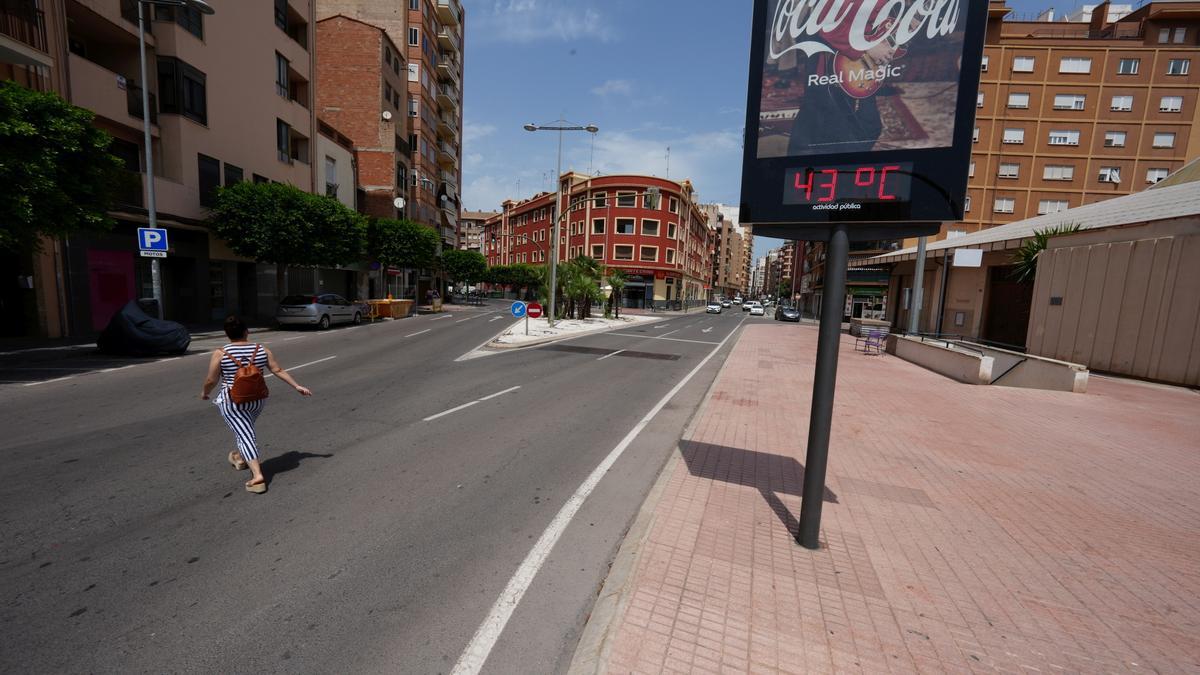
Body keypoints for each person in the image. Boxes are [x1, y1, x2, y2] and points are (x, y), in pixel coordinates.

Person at [200, 316, 312, 494]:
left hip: (233, 401)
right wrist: (297, 385)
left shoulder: (221, 353)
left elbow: (211, 379)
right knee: (244, 430)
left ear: (227, 334)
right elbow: (277, 370)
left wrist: (205, 392)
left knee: (245, 433)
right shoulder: (261, 349)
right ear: (246, 332)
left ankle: (257, 475)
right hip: (257, 400)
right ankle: (239, 456)